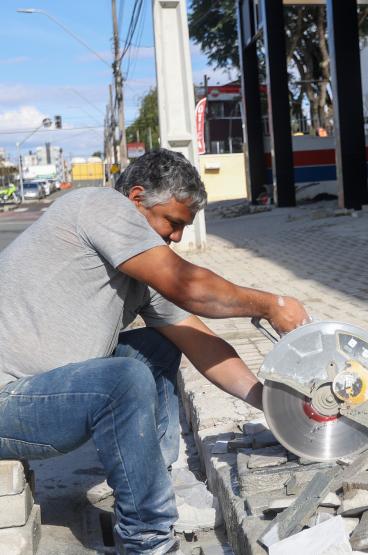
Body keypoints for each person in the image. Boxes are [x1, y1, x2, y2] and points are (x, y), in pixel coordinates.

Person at [0, 149, 310, 554]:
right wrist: (273, 304)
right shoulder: (98, 206)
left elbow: (199, 340)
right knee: (122, 380)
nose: (177, 238)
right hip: (10, 402)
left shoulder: (139, 274)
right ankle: (148, 539)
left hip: (51, 395)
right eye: (172, 223)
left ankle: (154, 484)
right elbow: (193, 288)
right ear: (135, 198)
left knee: (158, 344)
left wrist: (269, 401)